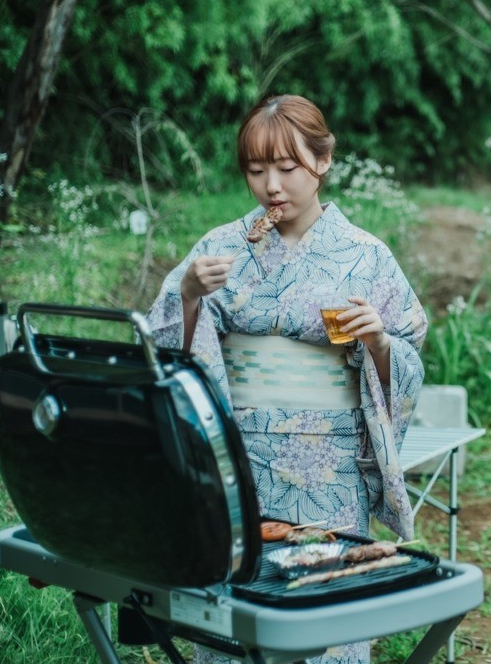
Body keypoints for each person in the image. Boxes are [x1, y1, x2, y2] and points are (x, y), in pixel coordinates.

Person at [147, 94, 427, 664]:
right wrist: (189, 295)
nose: (271, 185)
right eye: (256, 170)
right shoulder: (219, 248)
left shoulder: (366, 256)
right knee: (236, 613)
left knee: (326, 618)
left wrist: (377, 341)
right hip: (237, 459)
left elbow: (410, 349)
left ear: (323, 162)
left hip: (330, 466)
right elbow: (160, 350)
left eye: (287, 167)